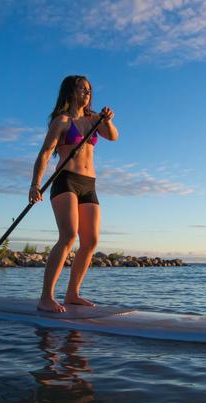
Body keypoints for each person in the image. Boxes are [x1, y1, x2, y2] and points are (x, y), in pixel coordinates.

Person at [29, 75, 118, 312]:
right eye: (81, 89)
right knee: (69, 236)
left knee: (90, 240)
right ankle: (46, 297)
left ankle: (72, 294)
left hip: (89, 184)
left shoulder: (94, 119)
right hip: (65, 180)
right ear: (70, 92)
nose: (86, 93)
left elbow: (113, 136)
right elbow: (46, 154)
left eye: (88, 90)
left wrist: (107, 120)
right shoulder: (62, 121)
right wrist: (35, 185)